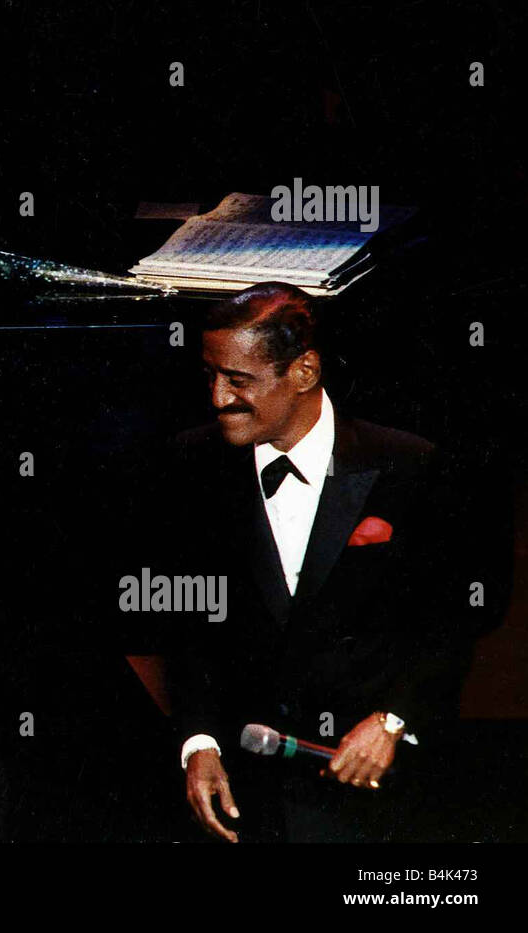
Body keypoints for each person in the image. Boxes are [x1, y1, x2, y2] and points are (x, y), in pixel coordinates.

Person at [167, 283, 473, 843]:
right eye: (209, 374)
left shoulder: (409, 465)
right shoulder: (192, 460)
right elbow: (189, 623)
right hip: (244, 789)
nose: (216, 397)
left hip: (369, 789)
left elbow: (451, 619)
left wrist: (392, 721)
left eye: (238, 380)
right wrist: (199, 743)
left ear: (305, 372)